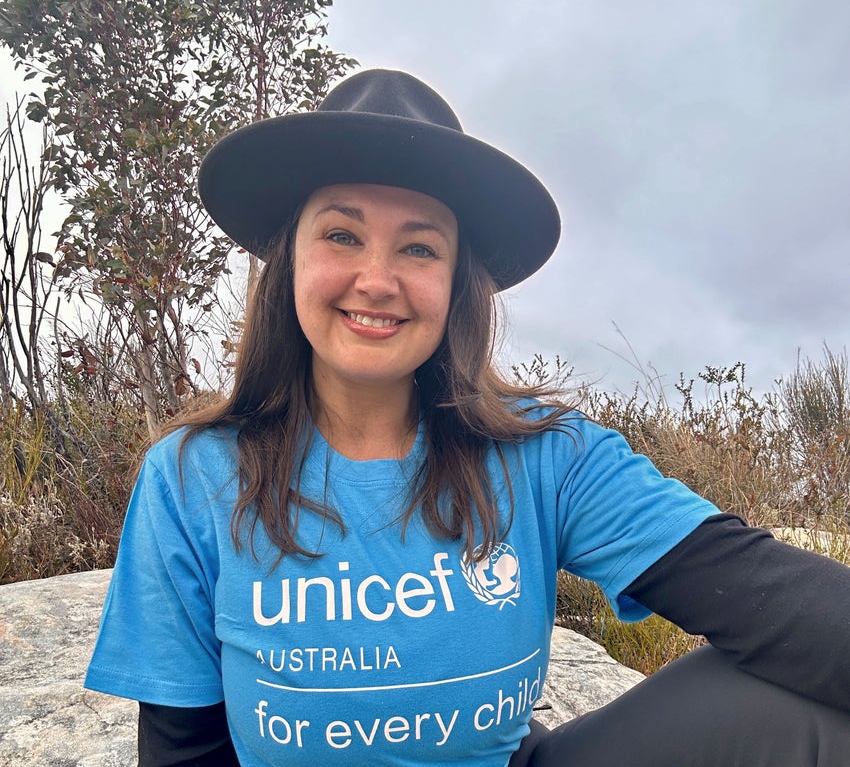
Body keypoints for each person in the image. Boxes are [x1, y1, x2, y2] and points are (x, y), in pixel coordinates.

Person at [85, 69, 850, 767]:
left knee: (799, 711)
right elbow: (185, 753)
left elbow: (761, 590)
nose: (376, 280)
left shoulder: (548, 456)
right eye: (342, 234)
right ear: (291, 259)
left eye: (419, 247)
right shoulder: (193, 478)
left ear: (457, 284)